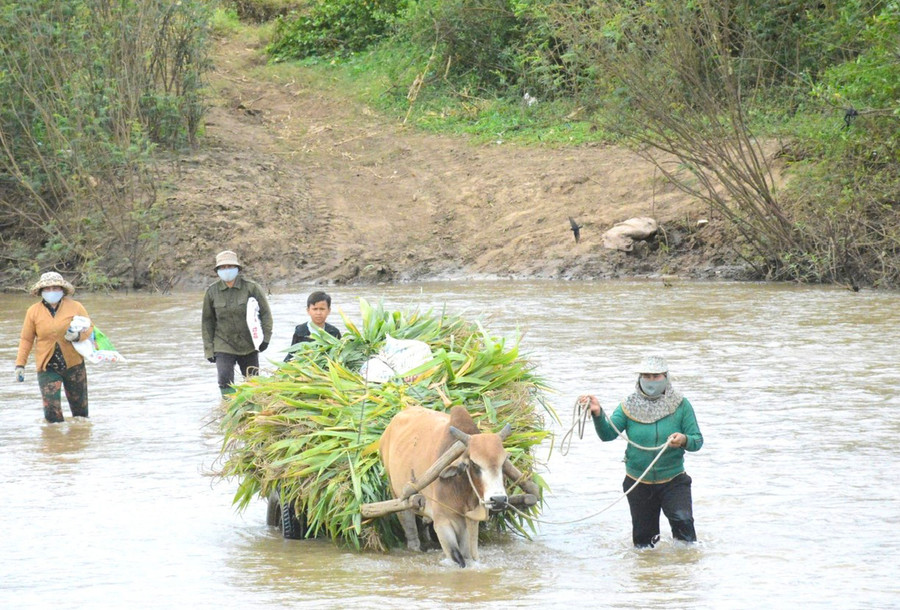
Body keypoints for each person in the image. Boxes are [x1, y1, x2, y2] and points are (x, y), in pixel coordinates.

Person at [581, 355, 703, 548]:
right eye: (646, 376)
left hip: (673, 480)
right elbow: (608, 434)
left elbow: (697, 441)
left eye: (656, 376)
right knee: (645, 542)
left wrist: (683, 440)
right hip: (638, 482)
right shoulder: (628, 405)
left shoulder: (681, 405)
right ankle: (648, 575)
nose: (651, 381)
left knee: (684, 527)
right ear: (639, 378)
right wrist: (597, 413)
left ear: (666, 377)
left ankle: (684, 573)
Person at [15, 272, 94, 423]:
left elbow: (90, 329)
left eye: (55, 288)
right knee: (52, 416)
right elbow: (26, 339)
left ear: (62, 289)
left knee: (81, 415)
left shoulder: (76, 307)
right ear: (41, 291)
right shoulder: (33, 312)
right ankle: (54, 444)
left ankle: (77, 443)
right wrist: (20, 364)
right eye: (48, 288)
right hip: (47, 367)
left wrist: (77, 336)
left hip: (74, 365)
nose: (52, 292)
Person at [202, 250, 273, 395]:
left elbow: (265, 314)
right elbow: (207, 322)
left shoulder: (251, 288)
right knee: (224, 378)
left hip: (249, 343)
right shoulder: (212, 292)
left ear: (237, 269)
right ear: (217, 270)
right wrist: (209, 349)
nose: (226, 270)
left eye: (230, 266)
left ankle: (252, 409)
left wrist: (265, 339)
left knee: (253, 381)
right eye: (223, 267)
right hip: (223, 343)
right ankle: (228, 408)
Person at [283, 291, 341, 362]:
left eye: (322, 309)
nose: (318, 313)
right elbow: (292, 354)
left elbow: (339, 355)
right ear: (308, 310)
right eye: (315, 309)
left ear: (329, 310)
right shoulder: (300, 331)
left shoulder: (333, 332)